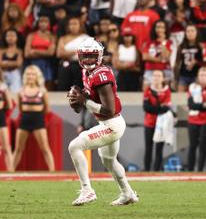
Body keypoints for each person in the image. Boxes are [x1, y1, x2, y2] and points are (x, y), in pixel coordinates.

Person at [67, 37, 138, 206]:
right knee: (109, 160)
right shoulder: (87, 72)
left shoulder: (102, 75)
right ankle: (127, 193)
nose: (87, 60)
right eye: (84, 56)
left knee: (74, 146)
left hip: (112, 123)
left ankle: (87, 190)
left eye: (91, 56)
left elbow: (108, 110)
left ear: (99, 56)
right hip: (108, 123)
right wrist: (77, 102)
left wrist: (85, 101)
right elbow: (84, 105)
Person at [12, 65, 55, 171]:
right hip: (24, 119)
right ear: (25, 76)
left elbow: (47, 109)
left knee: (45, 148)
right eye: (28, 74)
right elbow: (20, 108)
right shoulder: (20, 91)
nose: (31, 76)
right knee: (18, 148)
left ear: (37, 76)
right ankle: (10, 171)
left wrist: (38, 114)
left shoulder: (43, 91)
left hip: (38, 120)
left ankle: (53, 171)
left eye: (33, 74)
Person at [143, 70, 171, 171]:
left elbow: (166, 108)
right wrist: (160, 108)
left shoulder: (167, 91)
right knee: (148, 148)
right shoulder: (148, 90)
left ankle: (156, 171)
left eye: (159, 76)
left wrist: (154, 108)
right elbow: (146, 107)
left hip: (161, 124)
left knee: (159, 149)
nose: (156, 77)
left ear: (163, 78)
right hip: (149, 123)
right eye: (154, 75)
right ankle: (146, 170)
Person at [0, 29, 24, 93]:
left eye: (13, 35)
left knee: (16, 91)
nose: (10, 38)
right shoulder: (1, 51)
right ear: (5, 38)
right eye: (8, 36)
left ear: (17, 37)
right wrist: (13, 63)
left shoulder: (19, 51)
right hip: (3, 73)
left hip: (15, 73)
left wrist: (5, 63)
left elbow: (19, 64)